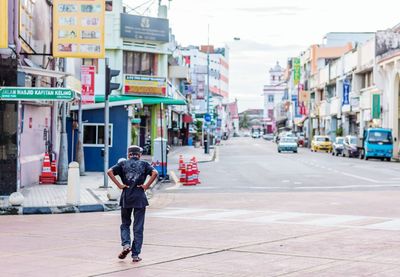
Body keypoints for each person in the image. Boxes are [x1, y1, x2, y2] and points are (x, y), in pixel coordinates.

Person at [107, 145, 158, 262]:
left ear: (128, 154)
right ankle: (135, 255)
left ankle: (126, 245)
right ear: (139, 155)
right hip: (140, 198)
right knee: (138, 227)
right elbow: (155, 173)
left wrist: (120, 185)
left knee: (125, 224)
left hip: (126, 198)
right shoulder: (144, 164)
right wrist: (146, 186)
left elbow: (109, 171)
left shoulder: (123, 164)